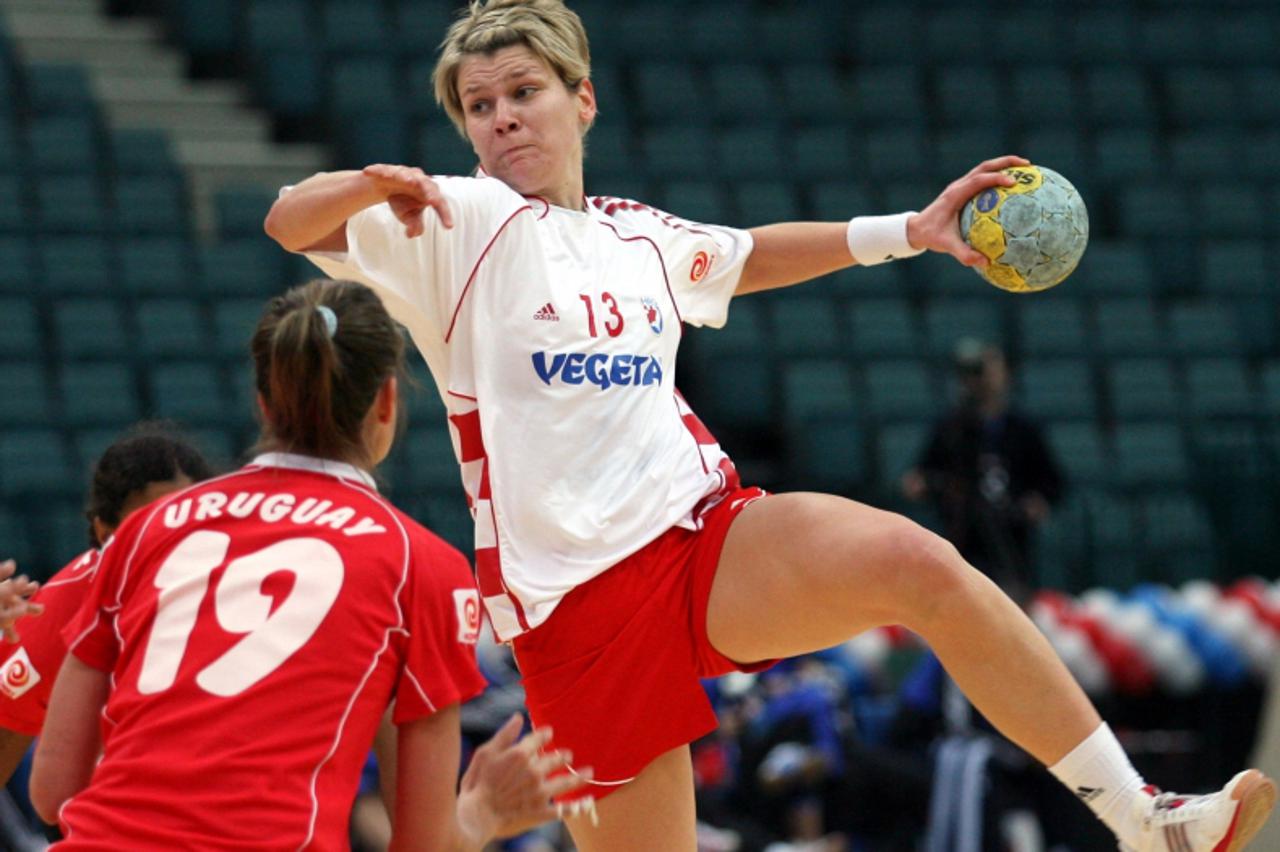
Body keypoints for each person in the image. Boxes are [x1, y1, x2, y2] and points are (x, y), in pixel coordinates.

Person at [262, 2, 1276, 849]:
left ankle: (1142, 820)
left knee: (917, 564)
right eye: (478, 108)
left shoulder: (637, 234)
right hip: (573, 612)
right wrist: (361, 185)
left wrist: (907, 235)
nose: (501, 122)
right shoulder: (450, 222)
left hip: (700, 537)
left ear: (581, 99)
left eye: (522, 93)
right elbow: (289, 223)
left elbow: (746, 256)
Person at [30, 279, 590, 849]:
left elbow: (53, 792)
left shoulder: (149, 526)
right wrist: (484, 813)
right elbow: (423, 844)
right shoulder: (420, 565)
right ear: (387, 402)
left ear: (263, 402)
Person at [0, 425, 215, 788]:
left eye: (190, 523)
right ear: (105, 534)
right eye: (153, 524)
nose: (175, 541)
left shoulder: (247, 588)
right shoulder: (61, 613)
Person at [901, 339, 1064, 603]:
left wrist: (1038, 502)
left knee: (1011, 600)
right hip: (963, 532)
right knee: (963, 599)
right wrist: (927, 485)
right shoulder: (952, 426)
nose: (982, 379)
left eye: (988, 370)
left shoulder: (1023, 429)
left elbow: (1052, 481)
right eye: (975, 372)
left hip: (1011, 534)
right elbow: (922, 475)